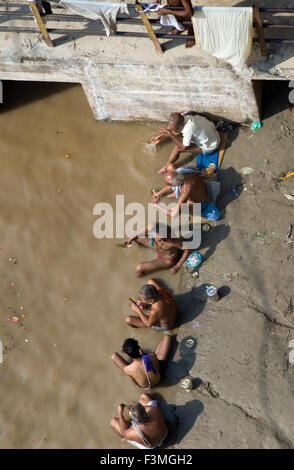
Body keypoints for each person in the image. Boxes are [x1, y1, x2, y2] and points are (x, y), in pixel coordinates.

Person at [150, 112, 220, 174]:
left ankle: (165, 168)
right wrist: (161, 135)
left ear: (181, 123)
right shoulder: (185, 116)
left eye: (176, 128)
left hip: (210, 147)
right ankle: (166, 166)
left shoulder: (189, 129)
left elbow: (184, 147)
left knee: (177, 148)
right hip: (214, 134)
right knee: (176, 132)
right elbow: (173, 127)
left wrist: (171, 134)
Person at [124, 222, 190, 276]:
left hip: (167, 259)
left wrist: (178, 266)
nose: (163, 242)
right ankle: (139, 246)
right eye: (161, 239)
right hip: (155, 247)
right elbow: (141, 232)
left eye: (165, 239)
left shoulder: (172, 241)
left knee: (139, 268)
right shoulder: (153, 227)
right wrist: (130, 239)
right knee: (136, 238)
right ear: (155, 233)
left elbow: (187, 249)